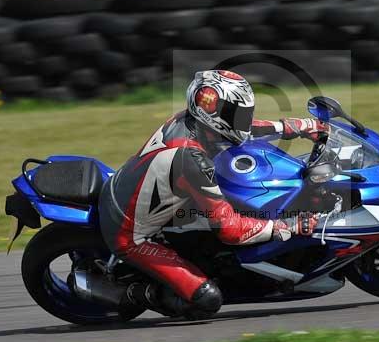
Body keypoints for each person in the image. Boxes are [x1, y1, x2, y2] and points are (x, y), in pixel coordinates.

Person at [99, 70, 328, 318]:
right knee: (207, 300)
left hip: (147, 197)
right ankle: (131, 294)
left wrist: (299, 127)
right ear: (212, 112)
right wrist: (288, 226)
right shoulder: (191, 158)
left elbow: (246, 129)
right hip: (130, 234)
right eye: (236, 114)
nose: (243, 119)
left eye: (243, 113)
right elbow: (230, 230)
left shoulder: (190, 121)